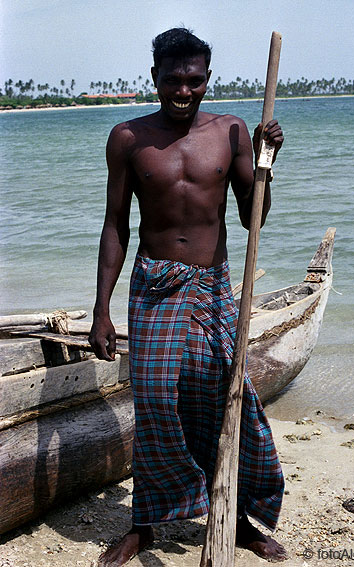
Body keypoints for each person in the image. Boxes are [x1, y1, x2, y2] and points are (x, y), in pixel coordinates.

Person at [89, 27, 287, 565]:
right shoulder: (128, 138)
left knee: (227, 398)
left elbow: (252, 220)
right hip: (154, 287)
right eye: (172, 80)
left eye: (194, 80)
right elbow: (115, 226)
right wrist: (101, 308)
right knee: (154, 404)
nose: (183, 90)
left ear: (206, 80)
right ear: (155, 77)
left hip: (212, 285)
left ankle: (238, 517)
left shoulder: (232, 132)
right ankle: (144, 523)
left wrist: (267, 165)